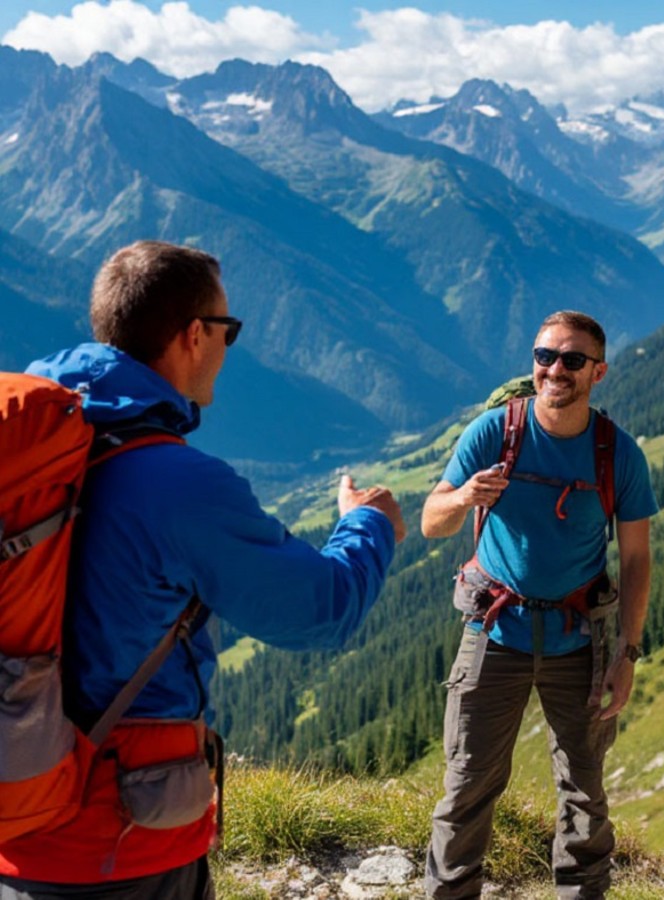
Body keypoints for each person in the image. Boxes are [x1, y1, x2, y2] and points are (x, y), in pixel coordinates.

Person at [0, 240, 405, 899]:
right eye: (228, 329)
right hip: (125, 841)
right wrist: (370, 523)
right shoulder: (177, 482)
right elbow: (321, 610)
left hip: (16, 824)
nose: (227, 345)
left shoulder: (28, 458)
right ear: (194, 335)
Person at [422, 310, 657, 899]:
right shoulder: (492, 432)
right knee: (467, 784)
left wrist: (627, 654)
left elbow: (635, 561)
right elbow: (431, 521)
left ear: (597, 372)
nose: (555, 370)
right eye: (544, 356)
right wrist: (466, 497)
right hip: (494, 632)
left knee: (583, 790)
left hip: (579, 641)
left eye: (572, 360)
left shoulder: (618, 454)